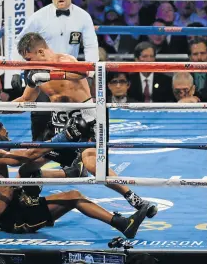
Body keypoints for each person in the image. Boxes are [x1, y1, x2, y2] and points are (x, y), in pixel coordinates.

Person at [14, 32, 157, 219]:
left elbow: (86, 71)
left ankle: (135, 199)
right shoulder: (35, 74)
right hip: (62, 126)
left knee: (92, 164)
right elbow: (26, 100)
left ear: (40, 51)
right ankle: (34, 212)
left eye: (29, 59)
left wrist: (51, 74)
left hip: (88, 120)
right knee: (28, 167)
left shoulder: (65, 60)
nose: (27, 64)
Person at [0, 121, 149, 239]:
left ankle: (67, 166)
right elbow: (28, 155)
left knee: (27, 171)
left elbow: (25, 164)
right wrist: (64, 136)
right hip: (15, 217)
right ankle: (122, 224)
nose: (9, 136)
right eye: (5, 133)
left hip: (16, 209)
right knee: (73, 196)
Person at [11, 0, 99, 141]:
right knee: (39, 112)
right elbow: (21, 43)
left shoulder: (83, 17)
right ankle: (38, 148)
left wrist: (92, 74)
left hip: (70, 70)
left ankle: (79, 151)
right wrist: (15, 72)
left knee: (77, 114)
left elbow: (91, 46)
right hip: (42, 71)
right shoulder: (38, 17)